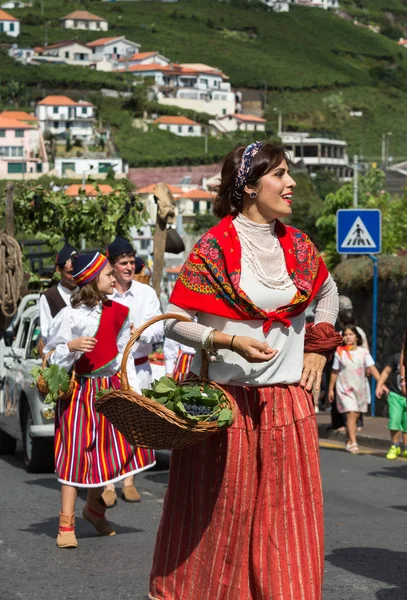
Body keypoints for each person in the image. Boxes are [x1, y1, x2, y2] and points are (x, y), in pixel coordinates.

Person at [149, 142, 342, 600]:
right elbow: (172, 322)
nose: (290, 182)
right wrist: (226, 340)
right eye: (279, 174)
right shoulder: (213, 247)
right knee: (220, 519)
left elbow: (327, 293)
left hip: (287, 404)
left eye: (288, 173)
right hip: (225, 407)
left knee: (288, 518)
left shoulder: (298, 244)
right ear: (249, 186)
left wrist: (318, 345)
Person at [44, 252, 155, 549]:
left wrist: (134, 392)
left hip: (110, 389)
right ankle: (66, 523)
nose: (114, 278)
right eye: (108, 274)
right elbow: (49, 358)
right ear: (93, 281)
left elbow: (122, 356)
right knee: (75, 453)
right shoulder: (70, 315)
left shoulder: (120, 311)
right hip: (79, 392)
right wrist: (71, 346)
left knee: (113, 450)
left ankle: (94, 510)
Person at [102, 236, 163, 507]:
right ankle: (107, 483)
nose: (128, 267)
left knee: (136, 425)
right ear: (112, 266)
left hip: (139, 368)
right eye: (122, 263)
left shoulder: (145, 293)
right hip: (111, 369)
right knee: (110, 426)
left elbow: (158, 327)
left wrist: (135, 332)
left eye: (130, 262)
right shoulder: (103, 292)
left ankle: (129, 481)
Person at [328, 325, 380, 454]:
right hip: (344, 388)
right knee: (351, 413)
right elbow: (334, 372)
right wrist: (330, 389)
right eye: (345, 335)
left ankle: (348, 438)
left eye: (350, 334)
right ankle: (354, 442)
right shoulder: (339, 352)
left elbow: (372, 368)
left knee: (356, 415)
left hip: (359, 388)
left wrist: (381, 383)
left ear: (356, 337)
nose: (347, 337)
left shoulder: (363, 352)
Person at [39, 242, 78, 345]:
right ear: (58, 270)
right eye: (70, 273)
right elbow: (46, 334)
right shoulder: (49, 297)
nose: (74, 276)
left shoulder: (87, 292)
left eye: (77, 271)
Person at [376, 351, 407, 459]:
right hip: (395, 395)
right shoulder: (396, 357)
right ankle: (395, 445)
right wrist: (379, 386)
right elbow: (386, 372)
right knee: (394, 421)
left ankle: (406, 448)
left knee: (406, 424)